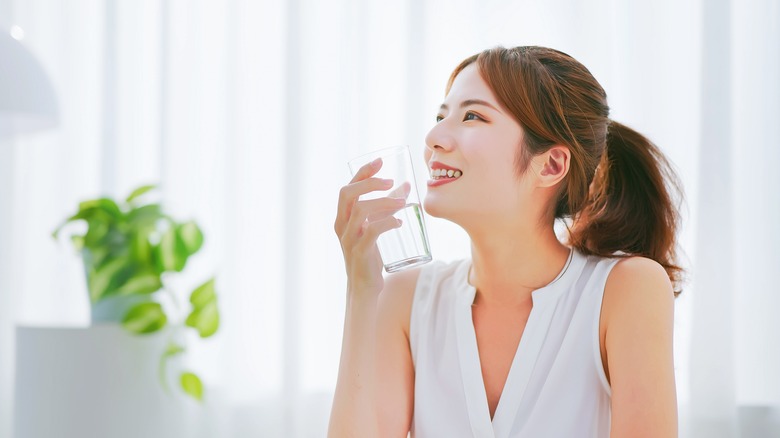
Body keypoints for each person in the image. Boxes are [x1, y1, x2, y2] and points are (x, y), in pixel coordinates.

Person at [329, 46, 683, 438]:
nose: (433, 137)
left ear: (550, 165)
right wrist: (362, 290)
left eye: (472, 116)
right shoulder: (404, 299)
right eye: (440, 116)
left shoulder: (625, 289)